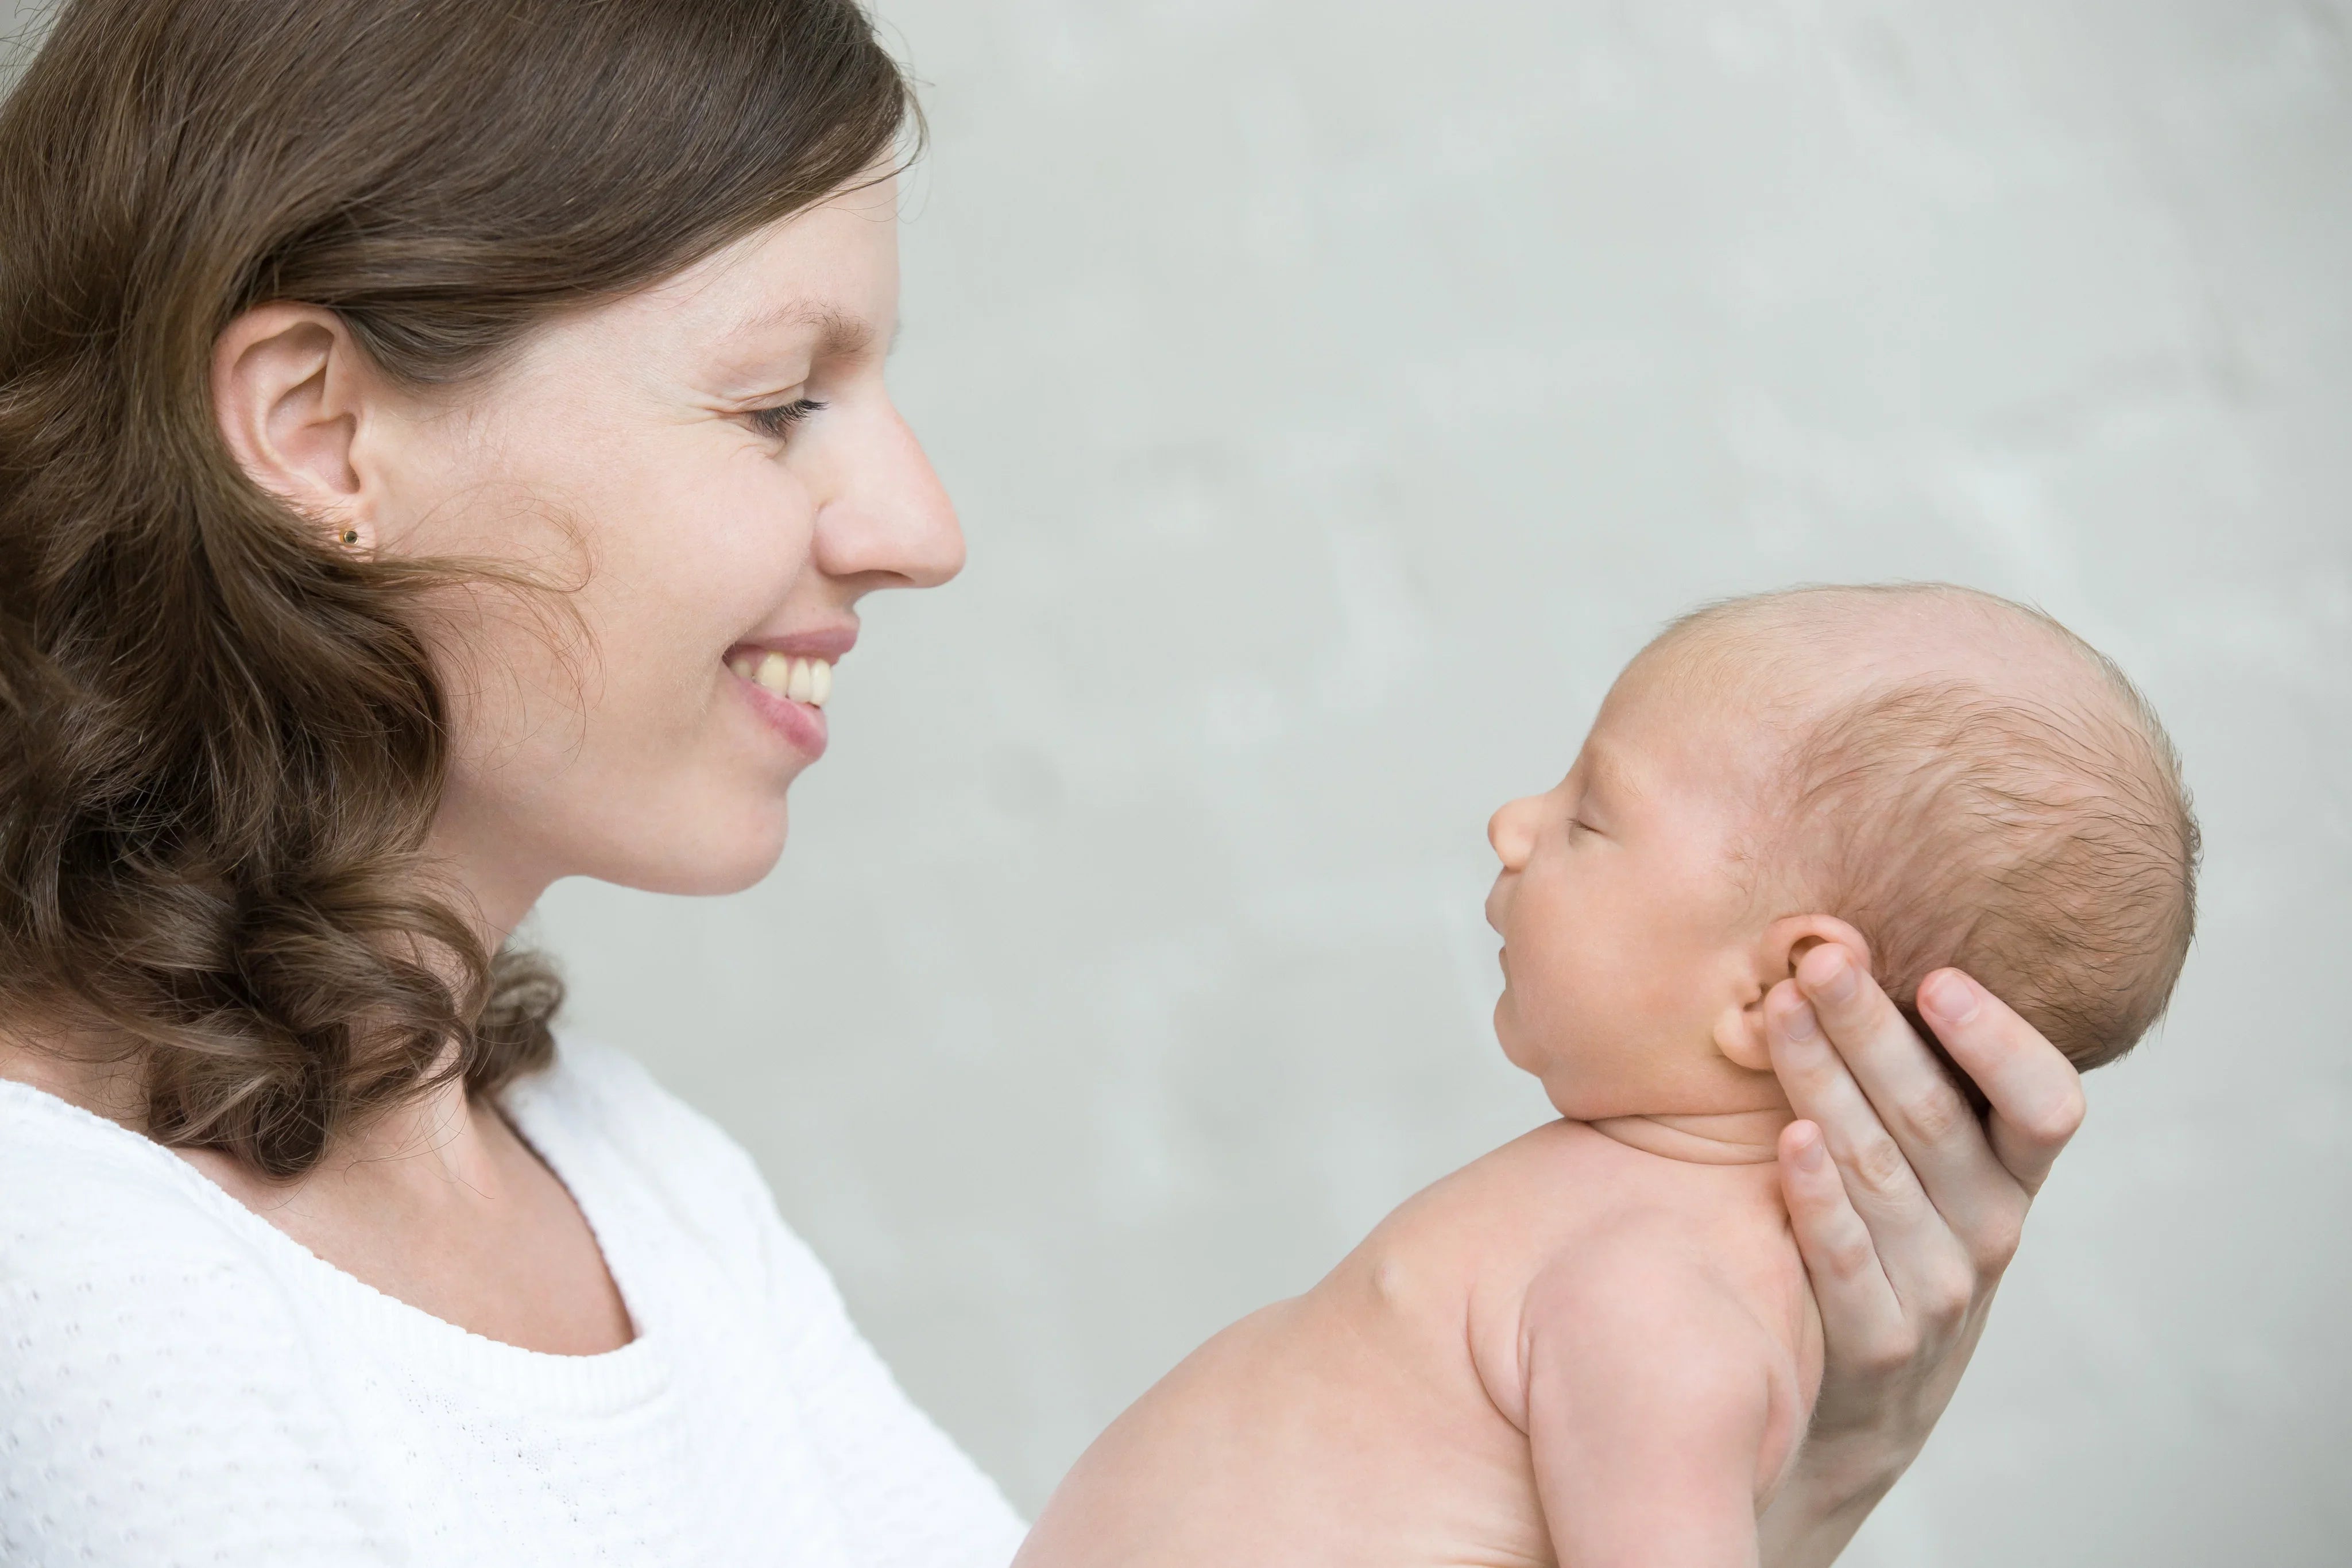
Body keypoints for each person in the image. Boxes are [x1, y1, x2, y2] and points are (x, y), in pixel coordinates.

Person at [0, 2, 2097, 1563]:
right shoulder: (69, 1292)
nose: (917, 524)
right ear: (317, 425)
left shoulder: (629, 1178)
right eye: (774, 400)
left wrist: (1772, 1474)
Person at [1011, 584, 2199, 1566]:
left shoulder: (1655, 1299)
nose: (1512, 823)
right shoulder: (1631, 1237)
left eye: (1589, 817)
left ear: (1769, 989)